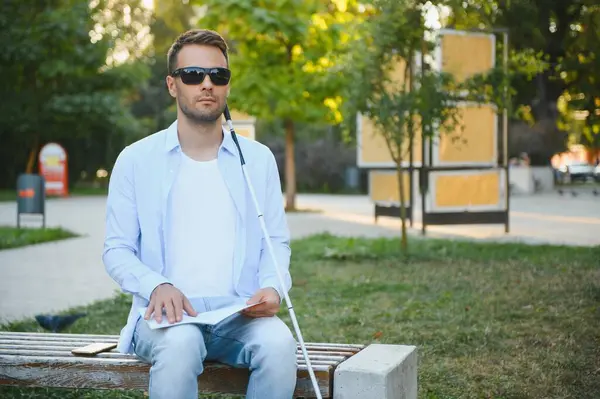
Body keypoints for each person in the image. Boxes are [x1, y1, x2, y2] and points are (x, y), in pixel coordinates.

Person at [102, 28, 297, 399]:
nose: (207, 84)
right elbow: (116, 250)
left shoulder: (257, 160)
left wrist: (273, 286)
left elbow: (275, 241)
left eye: (218, 75)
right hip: (163, 321)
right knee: (181, 345)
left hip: (239, 315)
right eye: (193, 75)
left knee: (279, 345)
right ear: (173, 85)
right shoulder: (135, 160)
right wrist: (155, 285)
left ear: (226, 85)